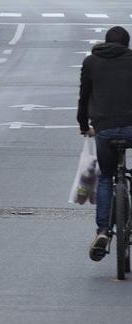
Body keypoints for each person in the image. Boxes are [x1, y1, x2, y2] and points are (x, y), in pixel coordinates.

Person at [79, 25, 132, 261]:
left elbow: (84, 97)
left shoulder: (91, 62)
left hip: (104, 128)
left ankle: (103, 231)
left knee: (106, 177)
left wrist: (84, 126)